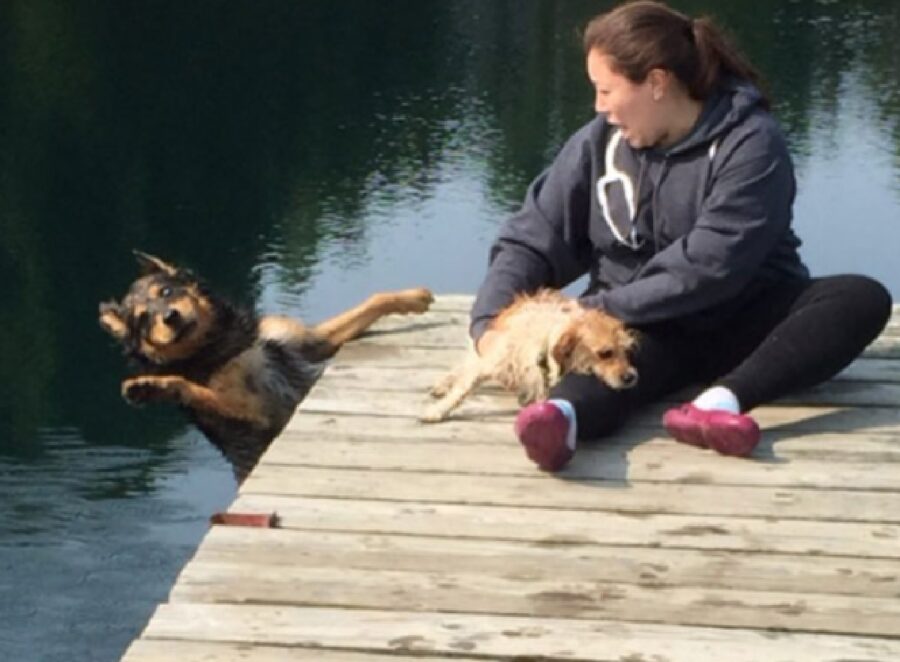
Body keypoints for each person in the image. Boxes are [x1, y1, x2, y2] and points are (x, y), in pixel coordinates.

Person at [470, 0, 893, 472]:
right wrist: (490, 324)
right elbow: (532, 237)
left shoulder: (751, 142)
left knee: (860, 298)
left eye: (606, 89)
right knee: (604, 364)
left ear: (656, 82)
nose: (599, 106)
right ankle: (557, 420)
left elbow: (712, 265)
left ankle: (720, 404)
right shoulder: (597, 144)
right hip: (643, 327)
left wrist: (597, 307)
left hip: (747, 318)